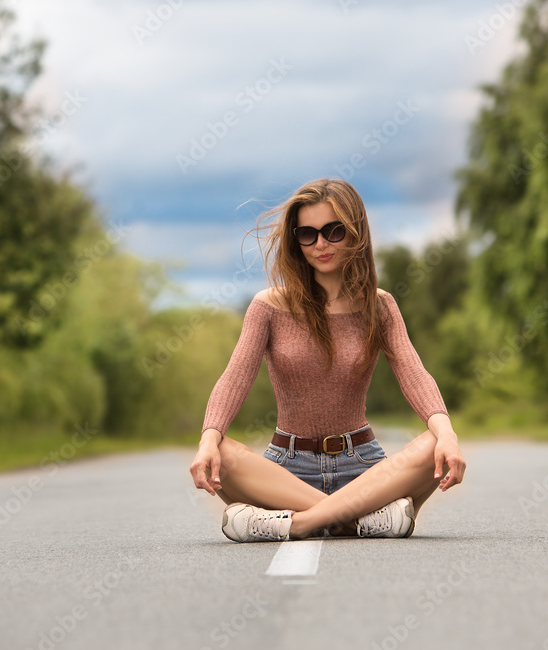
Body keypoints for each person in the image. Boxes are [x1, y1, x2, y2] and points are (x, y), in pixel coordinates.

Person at [188, 177, 466, 542]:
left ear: (355, 233)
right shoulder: (268, 306)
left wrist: (447, 433)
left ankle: (298, 523)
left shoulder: (379, 307)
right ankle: (355, 521)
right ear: (296, 240)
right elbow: (234, 378)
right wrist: (207, 440)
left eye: (334, 231)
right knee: (219, 448)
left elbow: (414, 373)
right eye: (307, 234)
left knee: (435, 442)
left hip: (364, 466)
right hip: (286, 470)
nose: (320, 244)